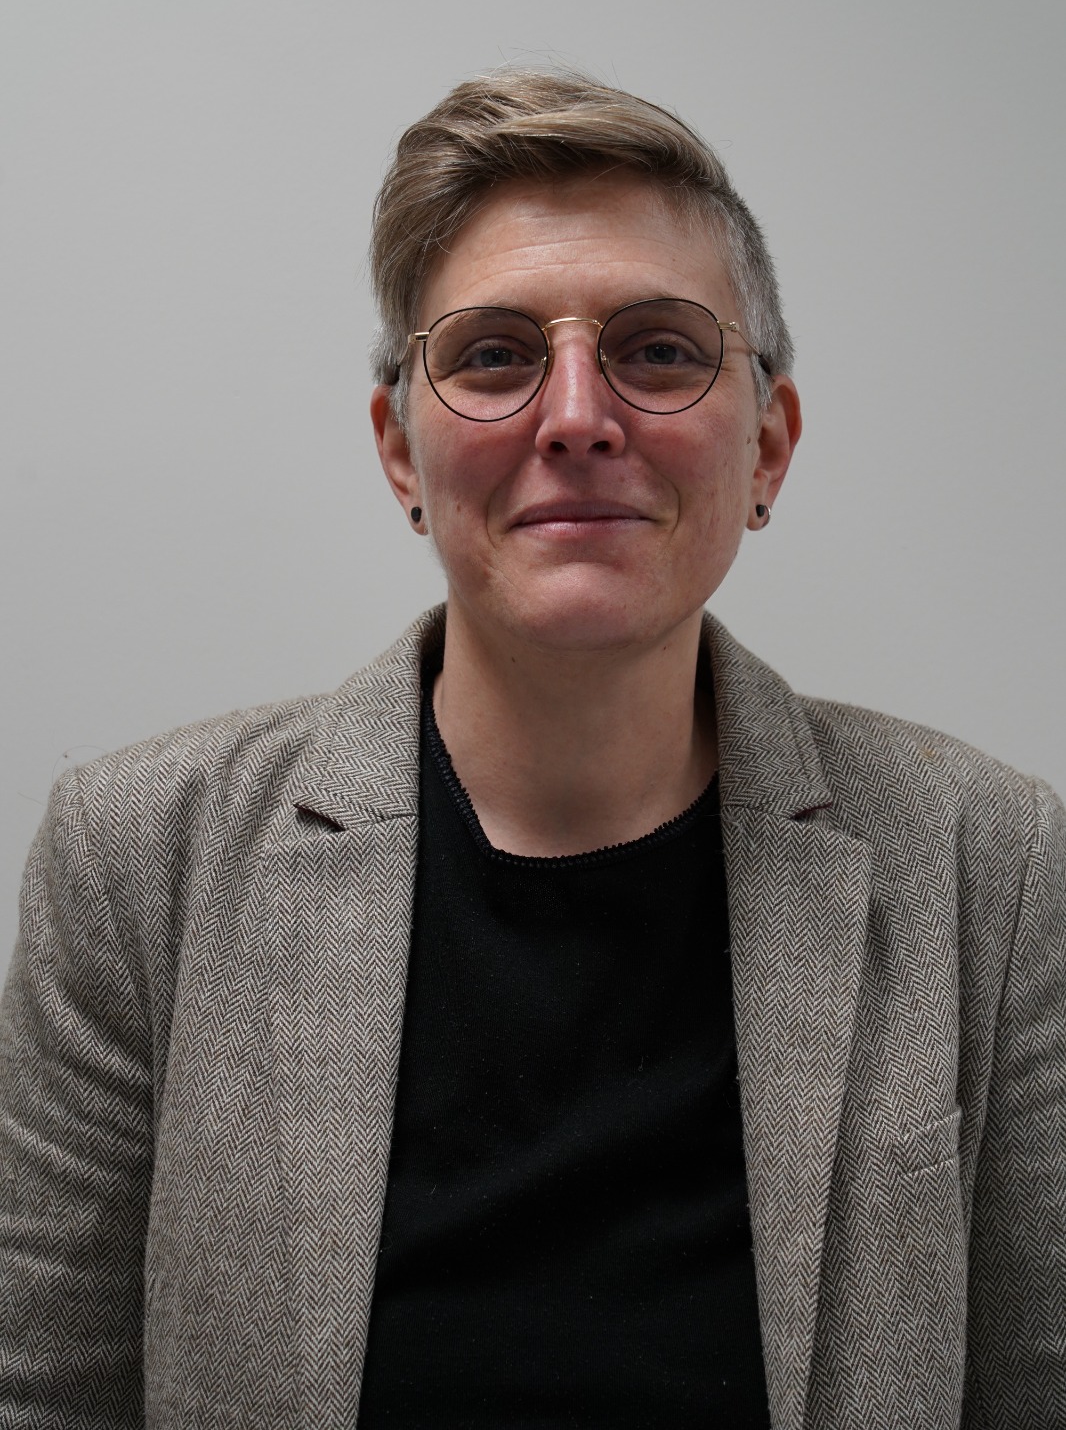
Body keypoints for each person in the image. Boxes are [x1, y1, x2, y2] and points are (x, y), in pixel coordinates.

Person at [1, 69, 1063, 1430]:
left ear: (767, 447)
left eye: (660, 351)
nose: (574, 415)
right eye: (495, 356)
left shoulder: (988, 867)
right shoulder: (139, 864)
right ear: (400, 452)